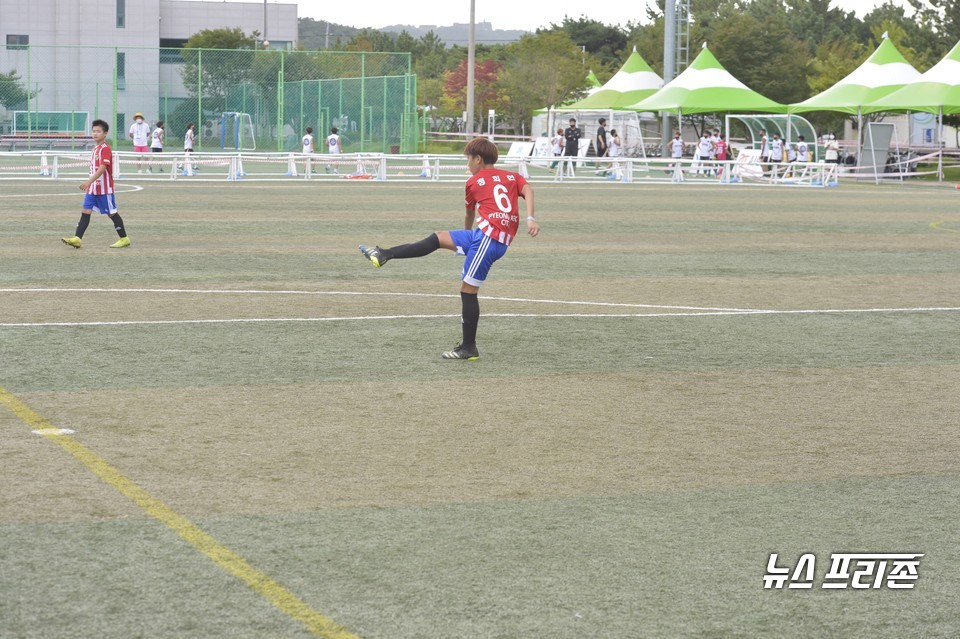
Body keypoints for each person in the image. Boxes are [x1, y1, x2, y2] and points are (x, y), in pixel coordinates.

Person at [358, 137, 539, 360]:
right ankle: (384, 254)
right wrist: (530, 218)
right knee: (438, 238)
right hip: (483, 236)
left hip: (489, 239)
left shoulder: (473, 182)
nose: (467, 165)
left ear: (478, 159)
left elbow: (469, 214)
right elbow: (528, 189)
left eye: (468, 160)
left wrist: (470, 237)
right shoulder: (512, 176)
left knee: (468, 290)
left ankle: (468, 347)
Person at [61, 119, 130, 249]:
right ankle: (77, 238)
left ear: (105, 133)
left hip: (104, 189)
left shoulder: (105, 149)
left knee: (112, 213)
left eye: (98, 131)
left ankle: (124, 238)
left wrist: (88, 181)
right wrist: (90, 184)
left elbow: (103, 168)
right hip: (92, 189)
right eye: (93, 131)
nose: (95, 133)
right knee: (85, 212)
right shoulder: (95, 149)